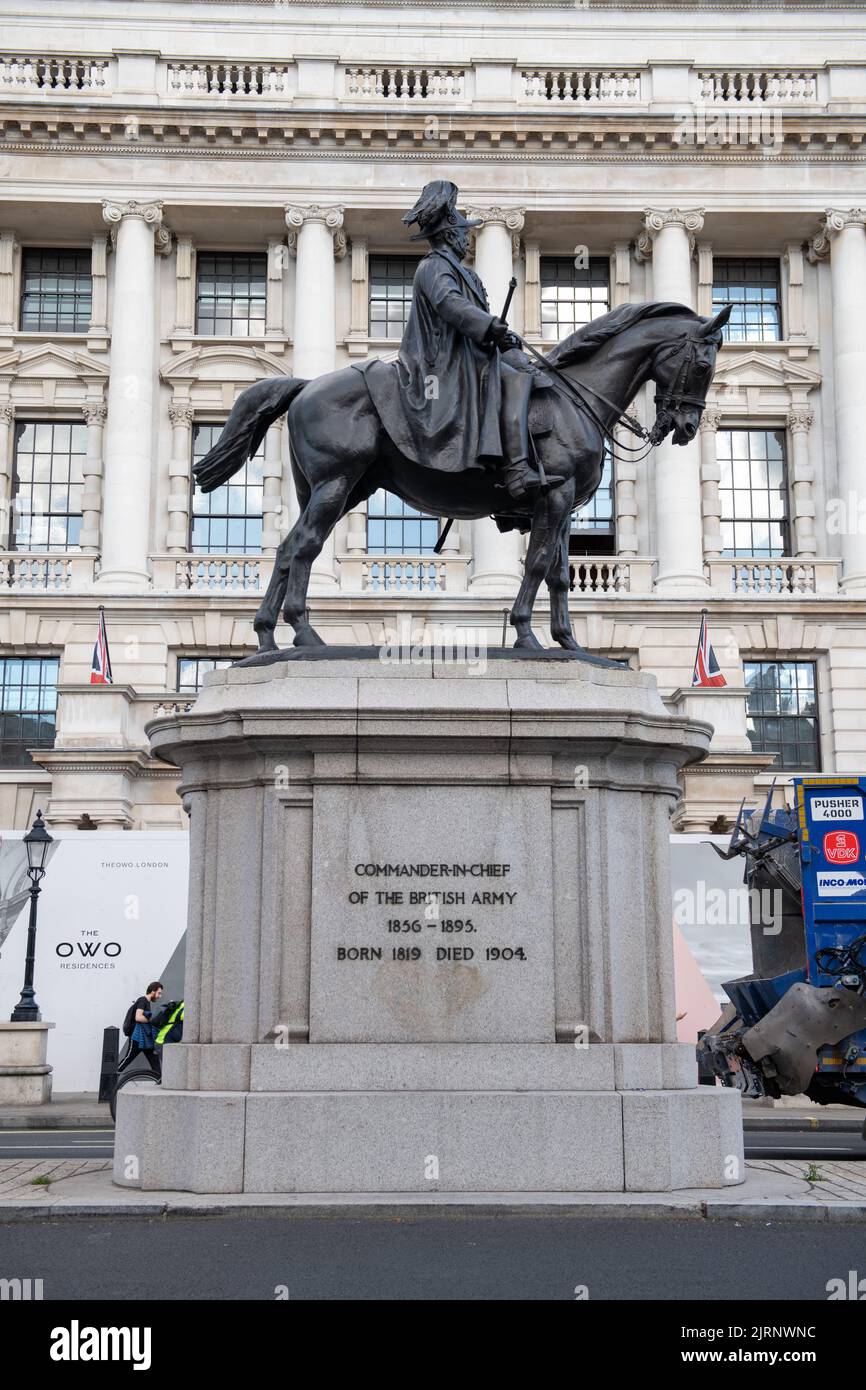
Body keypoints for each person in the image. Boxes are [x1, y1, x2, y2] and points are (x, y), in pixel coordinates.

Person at [359, 179, 563, 505]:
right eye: (464, 231)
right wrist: (488, 325)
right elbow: (450, 305)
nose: (468, 237)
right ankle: (516, 471)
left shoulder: (462, 271)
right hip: (443, 361)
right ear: (451, 235)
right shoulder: (435, 266)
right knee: (516, 378)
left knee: (522, 365)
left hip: (468, 353)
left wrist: (501, 336)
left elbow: (470, 313)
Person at [116, 981, 164, 1079]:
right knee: (127, 1059)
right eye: (159, 993)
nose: (160, 996)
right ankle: (110, 1080)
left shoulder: (147, 1002)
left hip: (145, 1039)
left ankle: (159, 1080)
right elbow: (138, 1017)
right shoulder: (143, 1000)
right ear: (153, 991)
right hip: (137, 1037)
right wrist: (152, 1019)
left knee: (154, 1060)